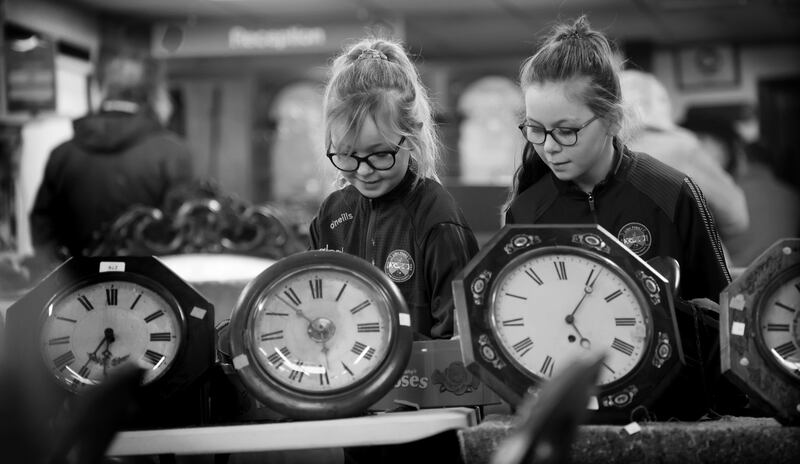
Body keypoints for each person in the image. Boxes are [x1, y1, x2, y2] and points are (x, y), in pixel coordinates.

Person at [504, 16, 743, 419]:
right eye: (535, 129)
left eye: (566, 130)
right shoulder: (526, 212)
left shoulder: (671, 193)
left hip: (672, 418)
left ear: (613, 120)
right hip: (571, 418)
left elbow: (725, 316)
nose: (549, 147)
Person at [309, 37, 480, 341]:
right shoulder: (331, 214)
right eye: (347, 155)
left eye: (379, 154)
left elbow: (457, 343)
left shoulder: (437, 217)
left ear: (411, 136)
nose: (363, 170)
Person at [29, 51, 194, 263]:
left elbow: (43, 229)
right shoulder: (172, 153)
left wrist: (62, 279)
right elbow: (183, 232)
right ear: (153, 93)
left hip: (76, 288)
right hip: (150, 290)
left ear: (102, 90)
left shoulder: (62, 154)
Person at [619, 69, 749, 240]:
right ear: (661, 103)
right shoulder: (682, 146)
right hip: (684, 259)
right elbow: (735, 216)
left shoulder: (600, 148)